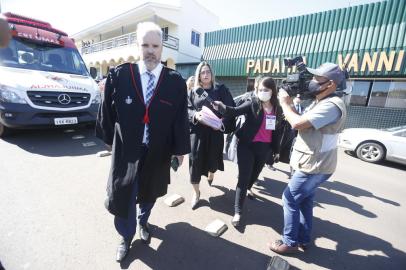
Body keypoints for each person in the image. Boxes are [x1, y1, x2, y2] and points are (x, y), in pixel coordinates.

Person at [96, 22, 190, 262]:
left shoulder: (175, 82)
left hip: (158, 151)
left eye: (155, 46)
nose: (150, 51)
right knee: (124, 194)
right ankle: (125, 237)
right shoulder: (120, 75)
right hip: (127, 151)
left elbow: (180, 118)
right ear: (138, 46)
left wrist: (180, 150)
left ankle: (143, 221)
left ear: (162, 48)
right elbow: (106, 109)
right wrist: (109, 140)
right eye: (145, 45)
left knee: (150, 193)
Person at [268, 63, 347, 254]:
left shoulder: (331, 105)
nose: (311, 82)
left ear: (331, 84)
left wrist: (285, 103)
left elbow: (297, 123)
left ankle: (289, 241)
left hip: (314, 167)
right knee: (304, 201)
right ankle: (303, 239)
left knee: (289, 198)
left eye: (317, 79)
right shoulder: (321, 101)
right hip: (312, 163)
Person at [213, 76, 284, 226]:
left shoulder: (278, 108)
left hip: (264, 149)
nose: (262, 92)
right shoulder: (253, 103)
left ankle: (248, 188)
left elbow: (277, 131)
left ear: (273, 91)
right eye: (260, 90)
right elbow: (234, 111)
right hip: (246, 146)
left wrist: (276, 150)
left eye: (266, 90)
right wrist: (221, 106)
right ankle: (238, 212)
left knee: (254, 175)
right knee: (244, 179)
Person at [188, 61, 235, 209]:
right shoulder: (193, 92)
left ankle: (211, 173)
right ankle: (196, 193)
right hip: (197, 134)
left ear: (212, 74)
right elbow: (186, 109)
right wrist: (196, 115)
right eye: (203, 72)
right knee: (194, 163)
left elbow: (231, 108)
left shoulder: (221, 89)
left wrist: (222, 123)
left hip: (215, 133)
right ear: (199, 76)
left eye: (208, 71)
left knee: (212, 162)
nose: (206, 74)